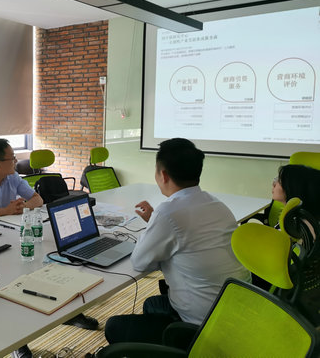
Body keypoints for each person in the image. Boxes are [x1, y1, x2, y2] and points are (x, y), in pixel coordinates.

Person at [104, 138, 250, 345]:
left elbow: (140, 262)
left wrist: (156, 223)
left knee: (114, 326)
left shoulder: (168, 212)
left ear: (163, 175)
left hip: (204, 328)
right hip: (237, 313)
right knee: (152, 304)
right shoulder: (217, 204)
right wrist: (155, 222)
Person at [272, 164, 320, 247]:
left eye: (279, 180)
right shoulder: (295, 216)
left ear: (293, 187)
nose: (274, 184)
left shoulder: (299, 225)